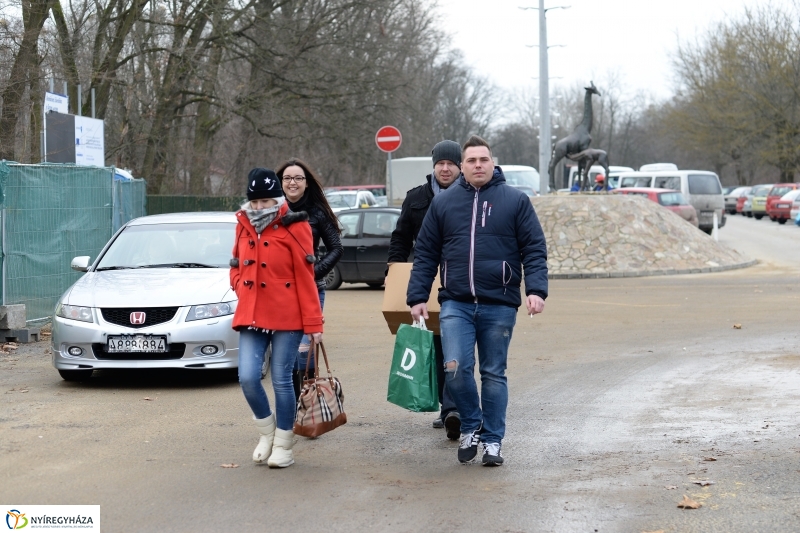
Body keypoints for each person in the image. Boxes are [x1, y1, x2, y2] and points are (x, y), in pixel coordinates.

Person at [406, 136, 548, 466]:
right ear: (462, 167)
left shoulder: (515, 201)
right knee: (455, 367)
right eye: (471, 161)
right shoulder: (443, 204)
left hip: (499, 303)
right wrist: (417, 296)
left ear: (492, 162)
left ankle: (494, 441)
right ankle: (471, 425)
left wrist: (536, 290)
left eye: (483, 160)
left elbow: (534, 249)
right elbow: (425, 253)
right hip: (455, 302)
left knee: (493, 373)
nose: (478, 165)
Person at [230, 167, 323, 468]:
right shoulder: (243, 224)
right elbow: (234, 264)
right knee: (247, 377)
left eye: (267, 201)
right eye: (255, 202)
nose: (260, 207)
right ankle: (266, 433)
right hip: (252, 311)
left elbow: (306, 278)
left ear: (278, 198)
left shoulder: (296, 225)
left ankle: (284, 444)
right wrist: (240, 286)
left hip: (288, 313)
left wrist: (313, 324)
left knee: (282, 379)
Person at [388, 140, 462, 440]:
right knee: (432, 347)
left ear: (459, 166)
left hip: (459, 281)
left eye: (451, 164)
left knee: (453, 346)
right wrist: (393, 270)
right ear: (433, 165)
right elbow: (401, 237)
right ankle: (447, 407)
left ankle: (453, 409)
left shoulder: (470, 196)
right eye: (440, 163)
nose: (445, 168)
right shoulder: (416, 197)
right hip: (425, 280)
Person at [276, 158, 343, 399]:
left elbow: (336, 248)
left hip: (311, 290)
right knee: (287, 353)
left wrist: (313, 273)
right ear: (280, 182)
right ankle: (294, 408)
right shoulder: (272, 210)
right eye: (287, 178)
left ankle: (310, 403)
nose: (292, 182)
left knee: (305, 351)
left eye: (298, 178)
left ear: (306, 183)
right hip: (280, 293)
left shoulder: (317, 212)